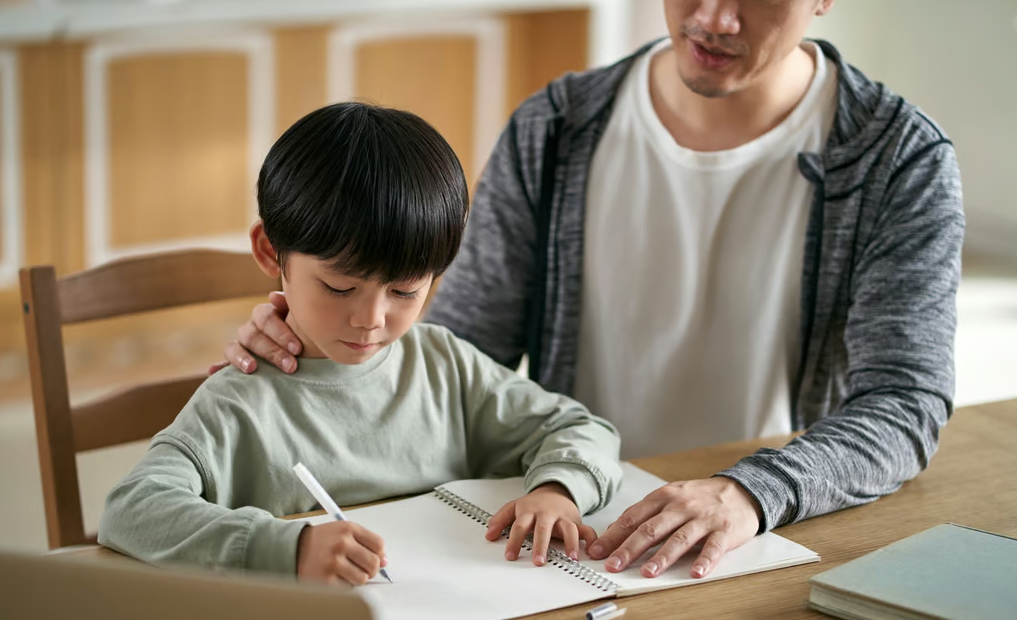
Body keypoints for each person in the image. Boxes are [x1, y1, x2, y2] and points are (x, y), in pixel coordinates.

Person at [221, 0, 964, 583]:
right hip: (570, 529)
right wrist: (320, 347)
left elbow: (904, 402)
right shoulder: (555, 129)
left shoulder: (897, 160)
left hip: (768, 533)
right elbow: (456, 355)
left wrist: (748, 493)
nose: (713, 17)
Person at [99, 102, 623, 586]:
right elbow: (131, 510)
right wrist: (286, 547)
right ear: (268, 251)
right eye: (340, 288)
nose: (371, 319)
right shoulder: (240, 402)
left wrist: (558, 491)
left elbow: (580, 428)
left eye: (405, 291)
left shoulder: (445, 365)